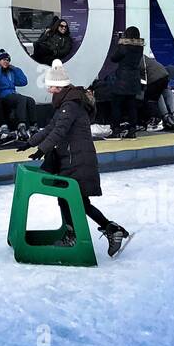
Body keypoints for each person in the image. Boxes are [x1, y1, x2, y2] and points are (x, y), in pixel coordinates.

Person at [22, 60, 130, 258]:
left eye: (51, 86)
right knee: (75, 201)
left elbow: (59, 131)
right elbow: (50, 128)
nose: (49, 89)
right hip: (73, 158)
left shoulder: (70, 105)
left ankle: (82, 234)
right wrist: (30, 143)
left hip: (77, 160)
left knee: (71, 199)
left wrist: (41, 150)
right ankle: (111, 229)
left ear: (60, 86)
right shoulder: (66, 103)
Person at [95, 26, 145, 138]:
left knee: (116, 104)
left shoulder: (124, 47)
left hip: (123, 79)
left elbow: (114, 58)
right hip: (134, 79)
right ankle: (132, 130)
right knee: (132, 105)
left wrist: (120, 43)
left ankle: (116, 129)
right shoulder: (139, 47)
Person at [0, 49, 35, 140]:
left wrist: (15, 69)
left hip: (12, 95)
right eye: (3, 60)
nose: (6, 62)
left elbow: (23, 81)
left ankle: (33, 126)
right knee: (21, 98)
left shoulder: (11, 72)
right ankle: (21, 125)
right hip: (3, 96)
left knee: (30, 100)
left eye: (8, 60)